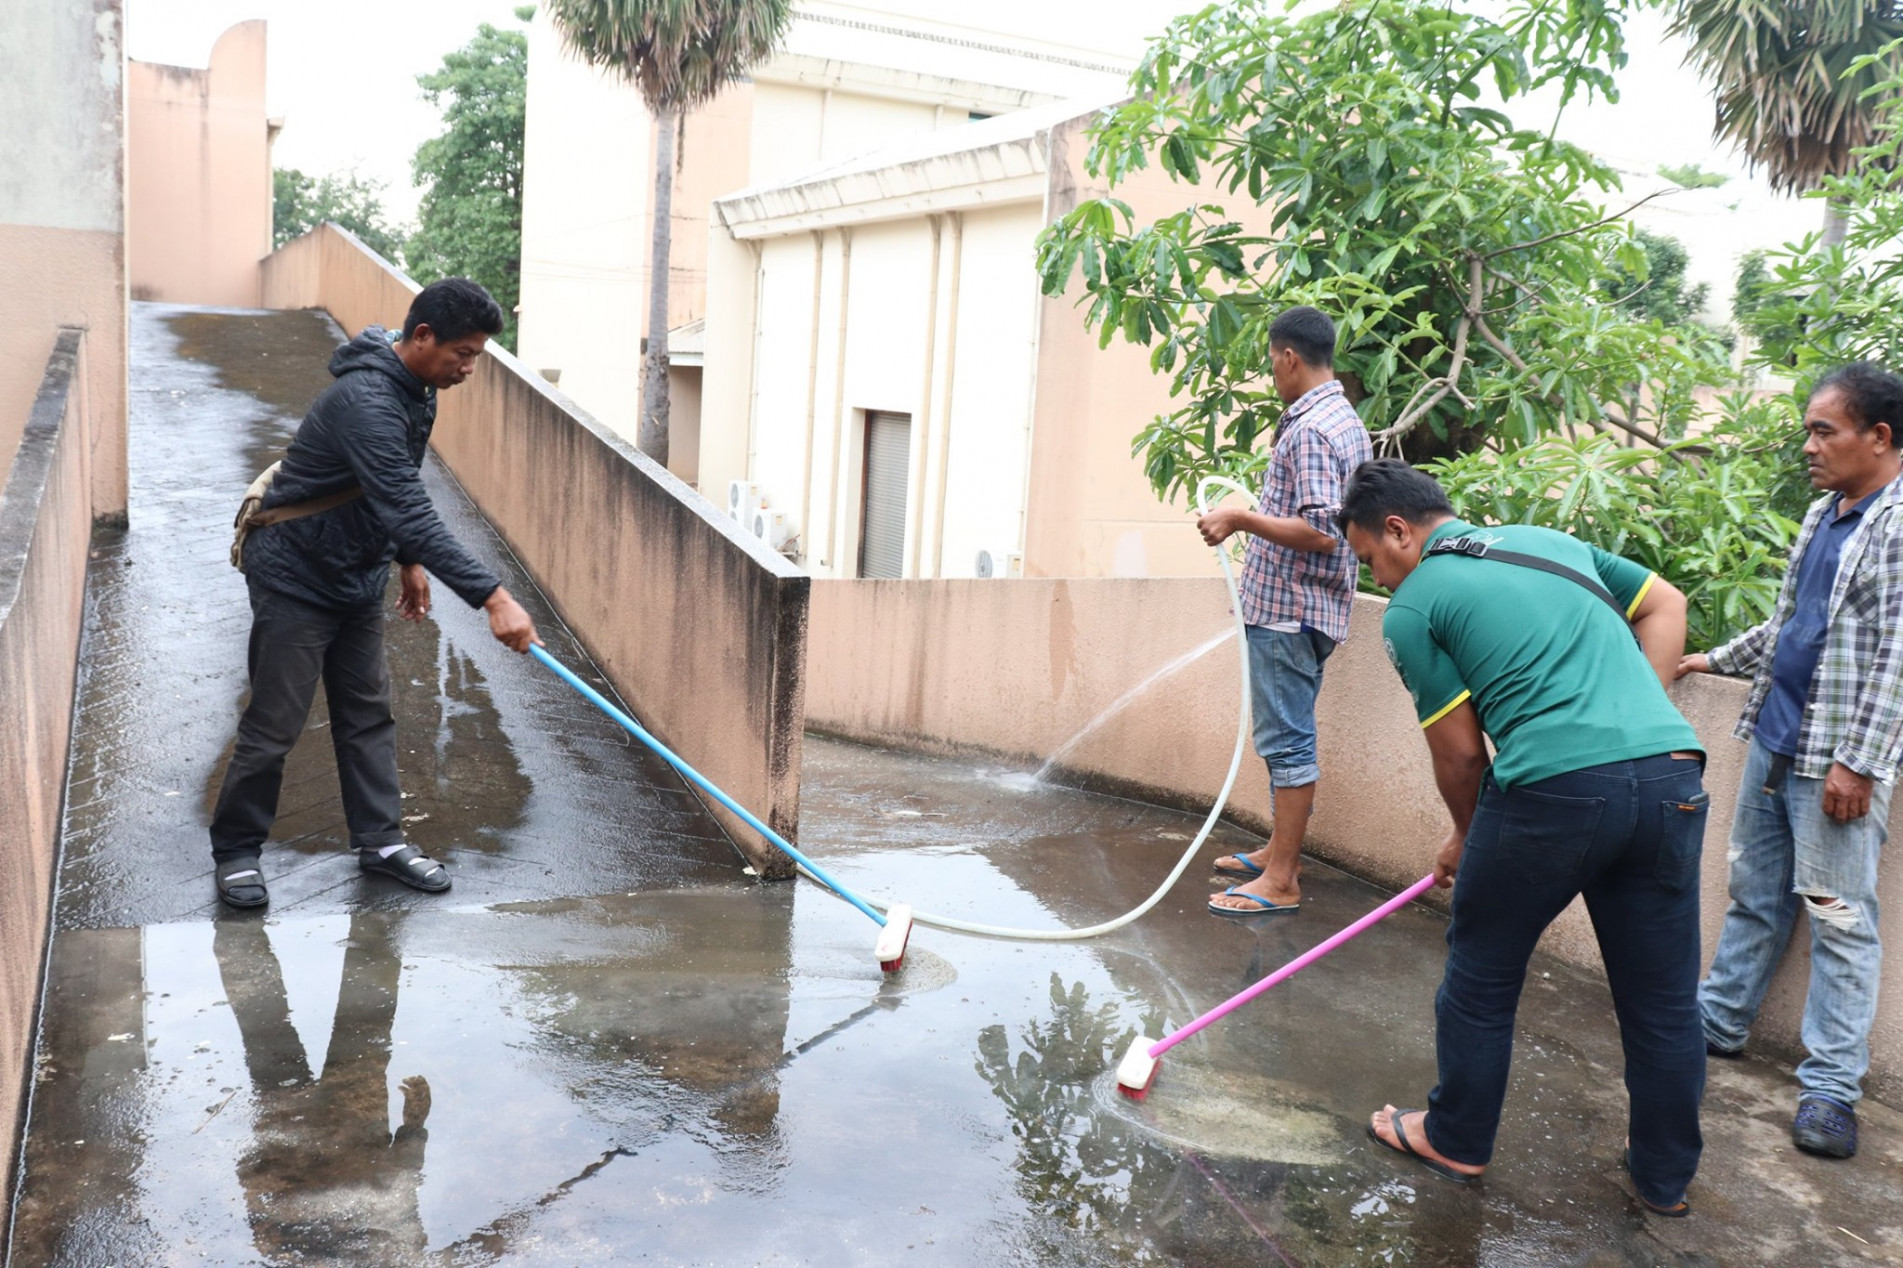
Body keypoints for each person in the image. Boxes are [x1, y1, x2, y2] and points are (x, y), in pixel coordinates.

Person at [1340, 458, 1708, 1216]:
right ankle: (1663, 1179)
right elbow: (1666, 602)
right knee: (1664, 1001)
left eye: (1369, 558)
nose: (1375, 578)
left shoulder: (1414, 607)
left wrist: (1466, 834)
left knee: (1481, 974)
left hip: (1553, 790)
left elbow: (1461, 755)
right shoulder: (1552, 542)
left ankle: (1455, 1137)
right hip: (1671, 776)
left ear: (1399, 531)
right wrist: (1631, 713)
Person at [210, 278, 539, 908]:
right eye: (463, 354)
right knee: (276, 722)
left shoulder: (418, 388)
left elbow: (394, 487)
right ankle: (236, 851)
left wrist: (408, 562)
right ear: (423, 336)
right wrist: (494, 598)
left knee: (367, 713)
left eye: (476, 356)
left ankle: (381, 842)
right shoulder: (366, 400)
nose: (469, 368)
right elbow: (410, 507)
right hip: (296, 573)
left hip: (355, 572)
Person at [1678, 362, 1903, 1161]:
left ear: (1878, 436)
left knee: (1838, 921)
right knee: (1753, 895)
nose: (1807, 446)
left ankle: (1831, 1090)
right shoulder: (1822, 514)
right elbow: (1788, 624)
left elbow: (1898, 658)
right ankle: (1717, 1022)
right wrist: (1708, 659)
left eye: (1822, 431)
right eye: (1807, 430)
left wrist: (1859, 763)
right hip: (1775, 739)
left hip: (1834, 761)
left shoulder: (1897, 525)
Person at [1194, 306, 1372, 916]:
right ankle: (1278, 853)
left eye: (1272, 361)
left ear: (1290, 357)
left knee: (1287, 745)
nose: (1272, 371)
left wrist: (1239, 518)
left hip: (1287, 614)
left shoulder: (1311, 429)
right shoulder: (1342, 417)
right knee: (1287, 738)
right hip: (1310, 609)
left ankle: (1281, 880)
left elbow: (1322, 531)